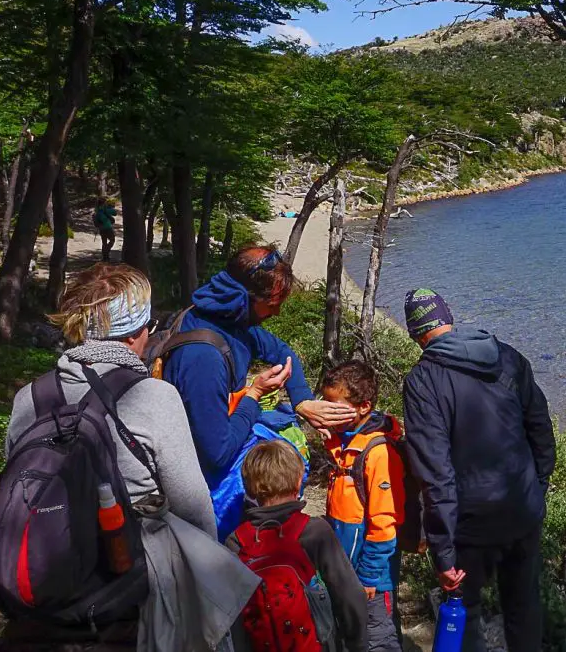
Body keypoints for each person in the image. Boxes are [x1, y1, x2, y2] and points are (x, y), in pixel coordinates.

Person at [0, 263, 257, 652]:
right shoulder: (154, 397)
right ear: (138, 333)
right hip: (127, 589)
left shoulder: (29, 398)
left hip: (42, 574)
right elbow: (194, 508)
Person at [163, 244, 356, 538]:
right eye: (272, 304)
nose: (276, 312)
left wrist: (302, 400)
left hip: (214, 435)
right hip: (198, 478)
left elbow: (281, 350)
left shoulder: (229, 321)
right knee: (287, 464)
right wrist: (253, 395)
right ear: (245, 297)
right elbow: (217, 455)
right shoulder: (203, 358)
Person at [400, 289, 556, 652]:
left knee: (464, 611)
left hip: (470, 526)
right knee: (524, 606)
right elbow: (541, 430)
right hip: (522, 510)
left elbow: (434, 472)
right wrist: (536, 489)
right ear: (449, 319)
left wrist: (442, 552)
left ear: (414, 334)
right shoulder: (507, 355)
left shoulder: (423, 381)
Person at [228, 440, 368, 652]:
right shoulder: (314, 531)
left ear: (251, 489)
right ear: (297, 482)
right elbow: (350, 595)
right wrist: (357, 646)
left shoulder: (236, 541)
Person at [320, 360, 406, 652]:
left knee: (378, 637)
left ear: (363, 407)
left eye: (335, 406)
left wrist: (369, 576)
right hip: (346, 567)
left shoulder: (378, 452)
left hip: (372, 578)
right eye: (326, 403)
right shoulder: (344, 441)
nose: (327, 411)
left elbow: (384, 523)